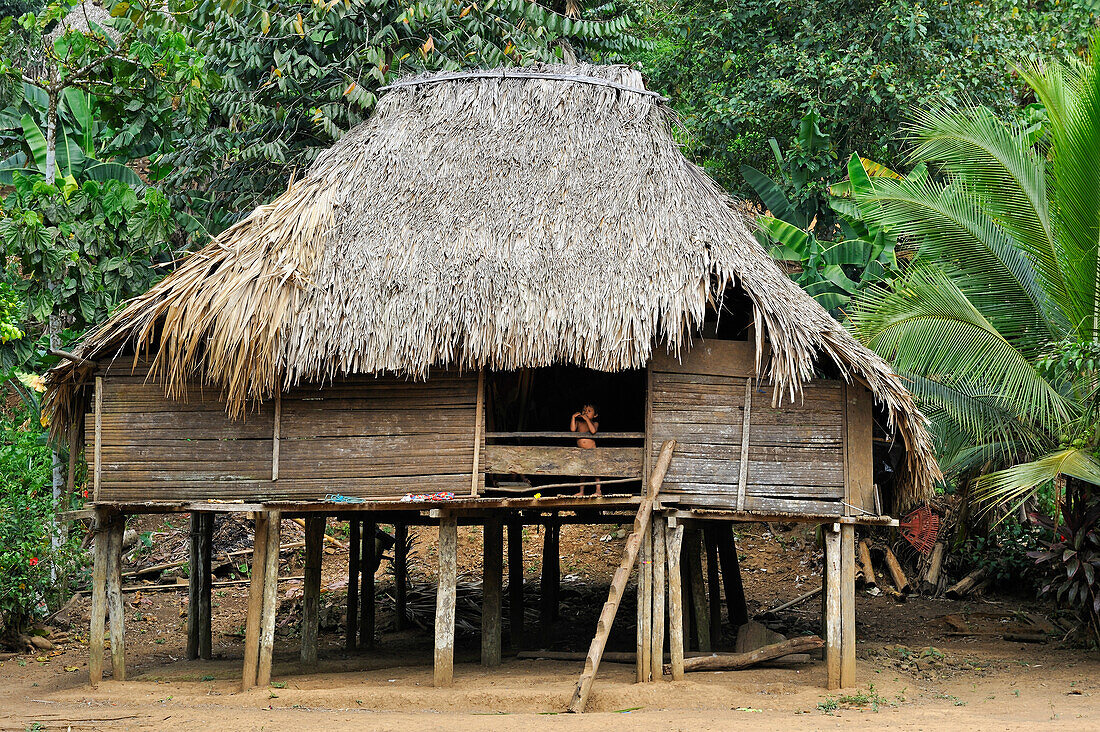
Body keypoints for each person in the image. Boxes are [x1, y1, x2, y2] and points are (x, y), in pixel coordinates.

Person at [570, 404, 600, 496]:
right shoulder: (579, 423)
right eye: (584, 410)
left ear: (595, 415)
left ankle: (598, 491)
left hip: (592, 450)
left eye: (589, 411)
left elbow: (593, 431)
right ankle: (581, 491)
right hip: (581, 451)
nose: (586, 412)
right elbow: (572, 429)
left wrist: (587, 419)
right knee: (582, 471)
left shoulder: (595, 423)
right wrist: (573, 418)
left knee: (596, 471)